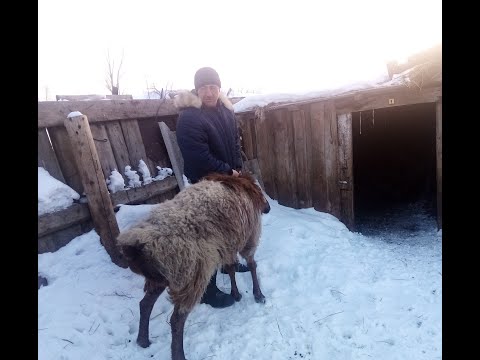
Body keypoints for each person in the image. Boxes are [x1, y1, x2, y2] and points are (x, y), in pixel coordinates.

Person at [176, 67, 250, 308]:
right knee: (207, 238)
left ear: (219, 88)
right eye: (204, 88)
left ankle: (228, 262)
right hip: (204, 185)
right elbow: (198, 157)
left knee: (230, 228)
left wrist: (237, 170)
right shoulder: (189, 117)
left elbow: (235, 143)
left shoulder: (226, 112)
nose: (209, 93)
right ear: (196, 90)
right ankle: (206, 289)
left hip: (227, 181)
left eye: (213, 87)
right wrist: (229, 171)